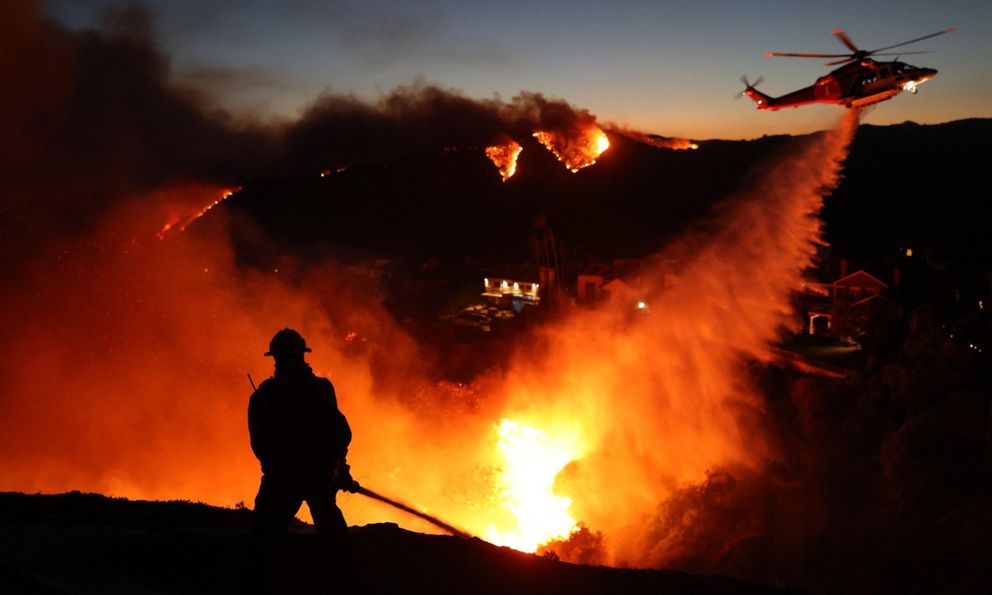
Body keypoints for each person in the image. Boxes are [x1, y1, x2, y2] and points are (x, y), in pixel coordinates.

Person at [248, 328, 358, 591]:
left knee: (264, 538)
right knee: (331, 531)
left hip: (284, 480)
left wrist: (338, 468)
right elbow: (340, 434)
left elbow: (260, 445)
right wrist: (335, 468)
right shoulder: (320, 389)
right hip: (312, 477)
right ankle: (348, 584)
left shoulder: (263, 396)